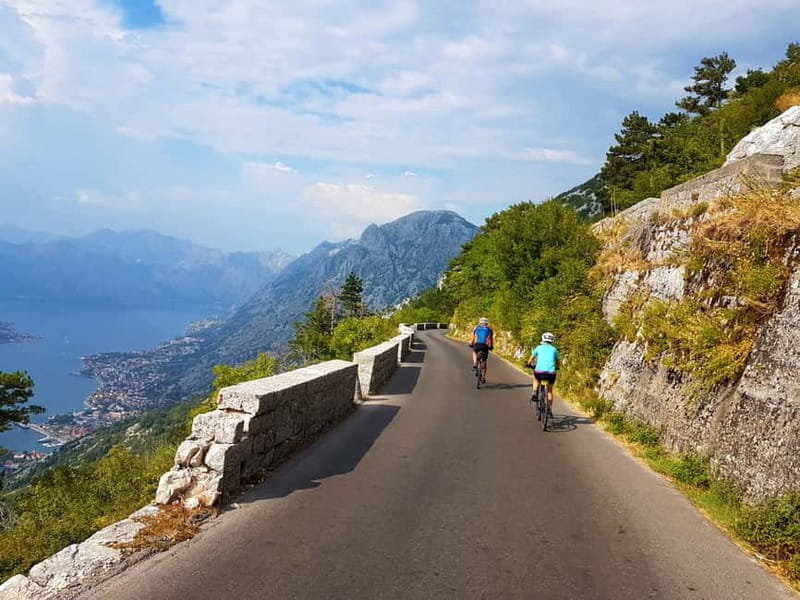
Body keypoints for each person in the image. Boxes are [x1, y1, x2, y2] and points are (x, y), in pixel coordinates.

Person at [527, 332, 560, 411]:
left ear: (543, 339)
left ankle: (535, 392)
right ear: (552, 340)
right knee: (549, 391)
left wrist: (528, 363)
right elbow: (558, 361)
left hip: (539, 372)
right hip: (551, 373)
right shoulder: (554, 349)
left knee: (536, 379)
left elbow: (532, 357)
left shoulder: (538, 347)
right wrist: (557, 367)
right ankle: (549, 409)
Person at [470, 317, 494, 382]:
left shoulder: (476, 328)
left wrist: (471, 343)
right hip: (485, 346)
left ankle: (475, 363)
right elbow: (490, 339)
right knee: (485, 361)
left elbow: (474, 337)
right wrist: (491, 346)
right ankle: (483, 377)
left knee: (474, 352)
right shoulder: (489, 329)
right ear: (487, 323)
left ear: (480, 322)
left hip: (477, 344)